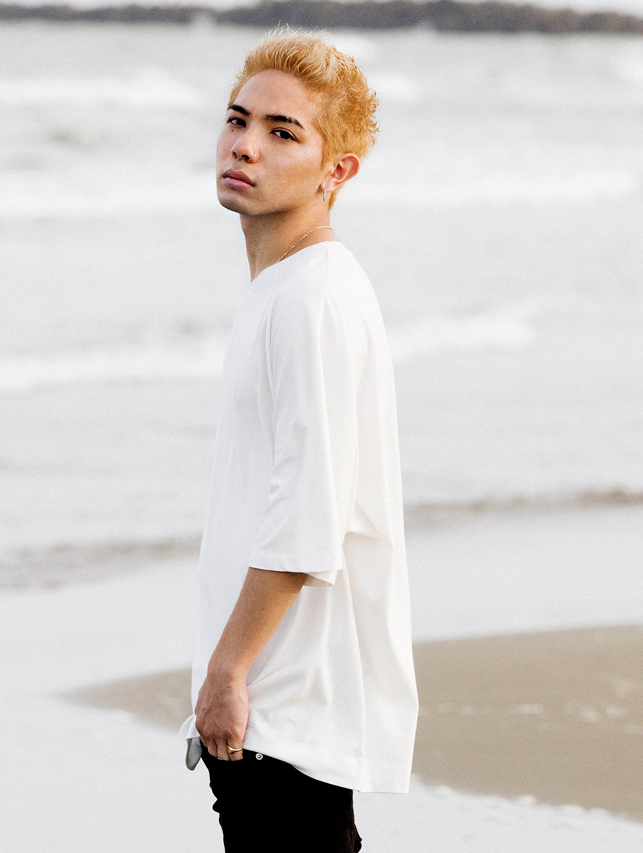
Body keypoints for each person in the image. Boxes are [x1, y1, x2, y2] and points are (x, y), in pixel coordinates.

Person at [177, 29, 419, 853]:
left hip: (284, 706)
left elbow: (308, 510)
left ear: (335, 170)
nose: (245, 145)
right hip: (282, 703)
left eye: (283, 132)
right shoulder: (289, 288)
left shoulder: (311, 299)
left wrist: (228, 669)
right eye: (237, 119)